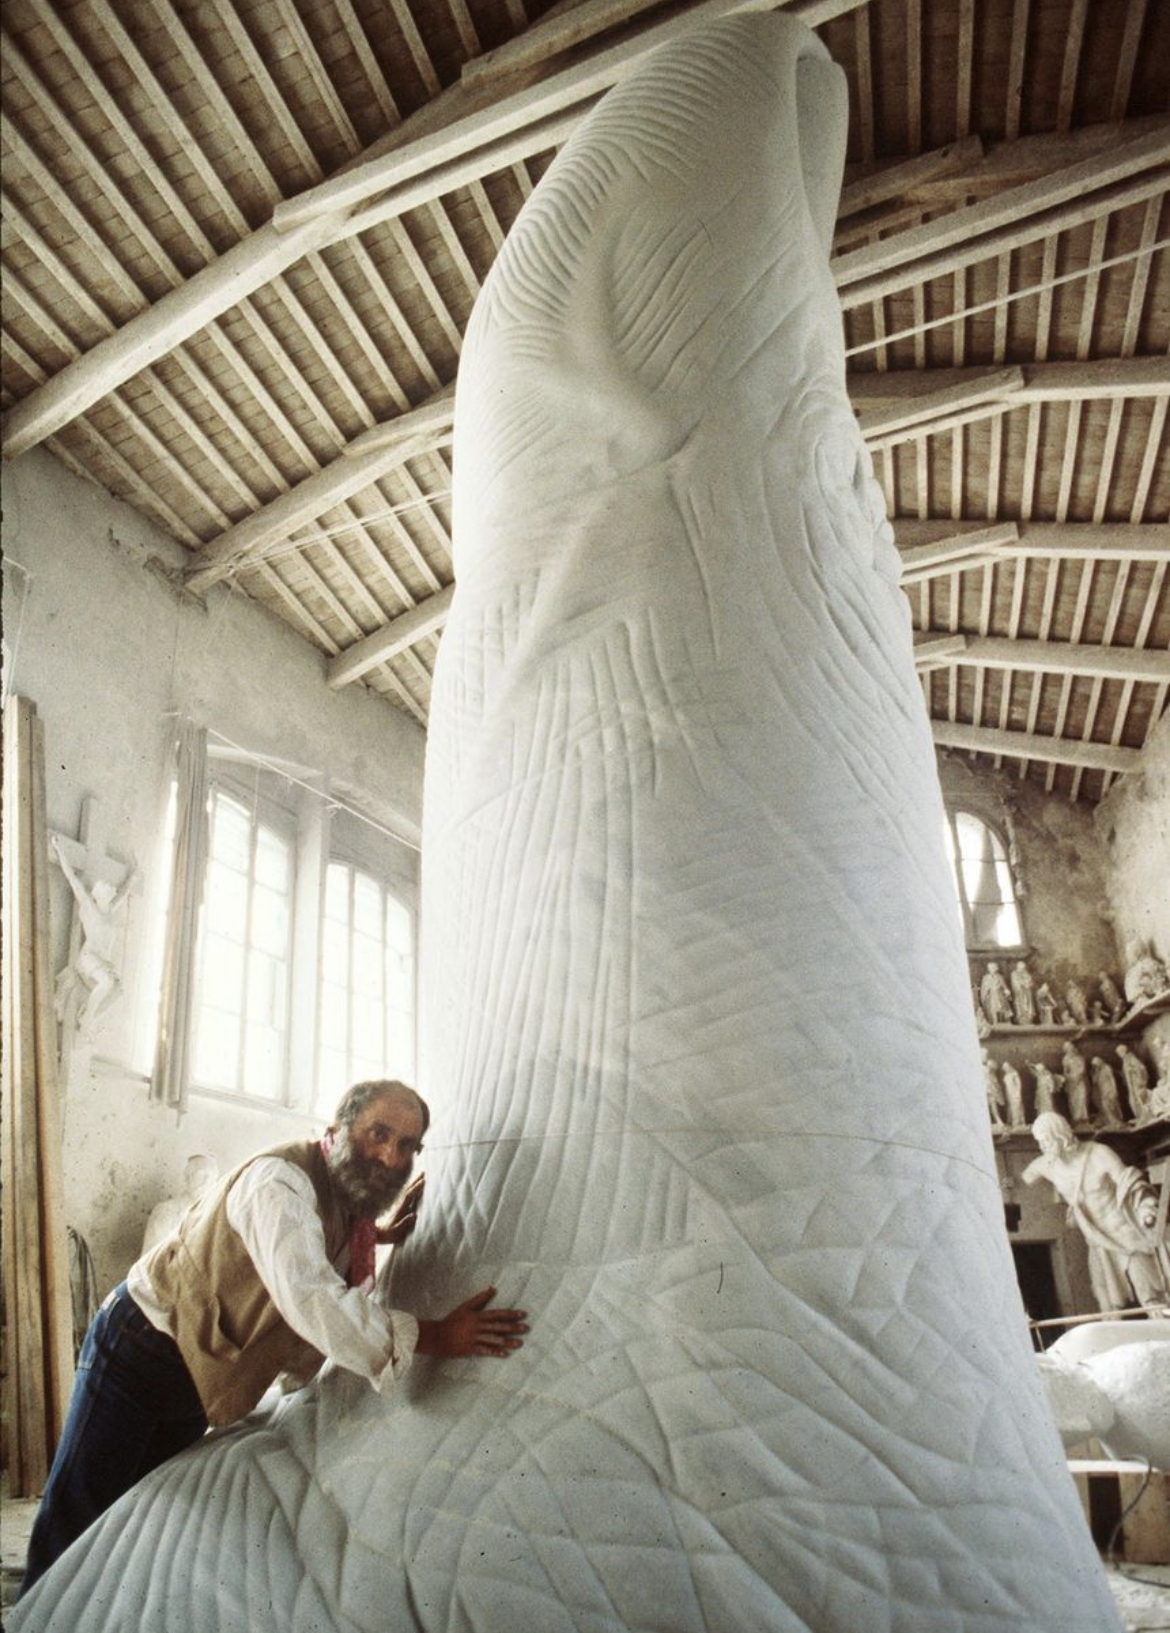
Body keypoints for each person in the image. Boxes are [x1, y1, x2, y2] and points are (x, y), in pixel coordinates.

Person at [21, 1079, 528, 1594]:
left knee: (133, 1509)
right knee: (79, 1513)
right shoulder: (279, 1184)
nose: (389, 1156)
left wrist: (378, 1233)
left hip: (202, 1369)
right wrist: (437, 1336)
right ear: (337, 1129)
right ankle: (35, 1612)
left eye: (406, 1146)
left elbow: (324, 1238)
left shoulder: (347, 1208)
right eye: (378, 1133)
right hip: (140, 1348)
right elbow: (313, 1296)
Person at [1022, 1112, 1170, 1312]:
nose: (1042, 1147)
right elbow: (1024, 1177)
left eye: (1046, 1141)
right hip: (1096, 1240)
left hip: (1125, 1233)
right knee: (1106, 1301)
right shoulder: (1046, 1165)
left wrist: (1146, 1210)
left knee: (1151, 1296)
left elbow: (1130, 1182)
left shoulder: (1099, 1154)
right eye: (1039, 1142)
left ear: (1060, 1135)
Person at [141, 1152, 220, 1251]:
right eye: (201, 1175)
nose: (206, 1181)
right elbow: (151, 1260)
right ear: (187, 1178)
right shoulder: (166, 1212)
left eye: (212, 1178)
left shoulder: (217, 1217)